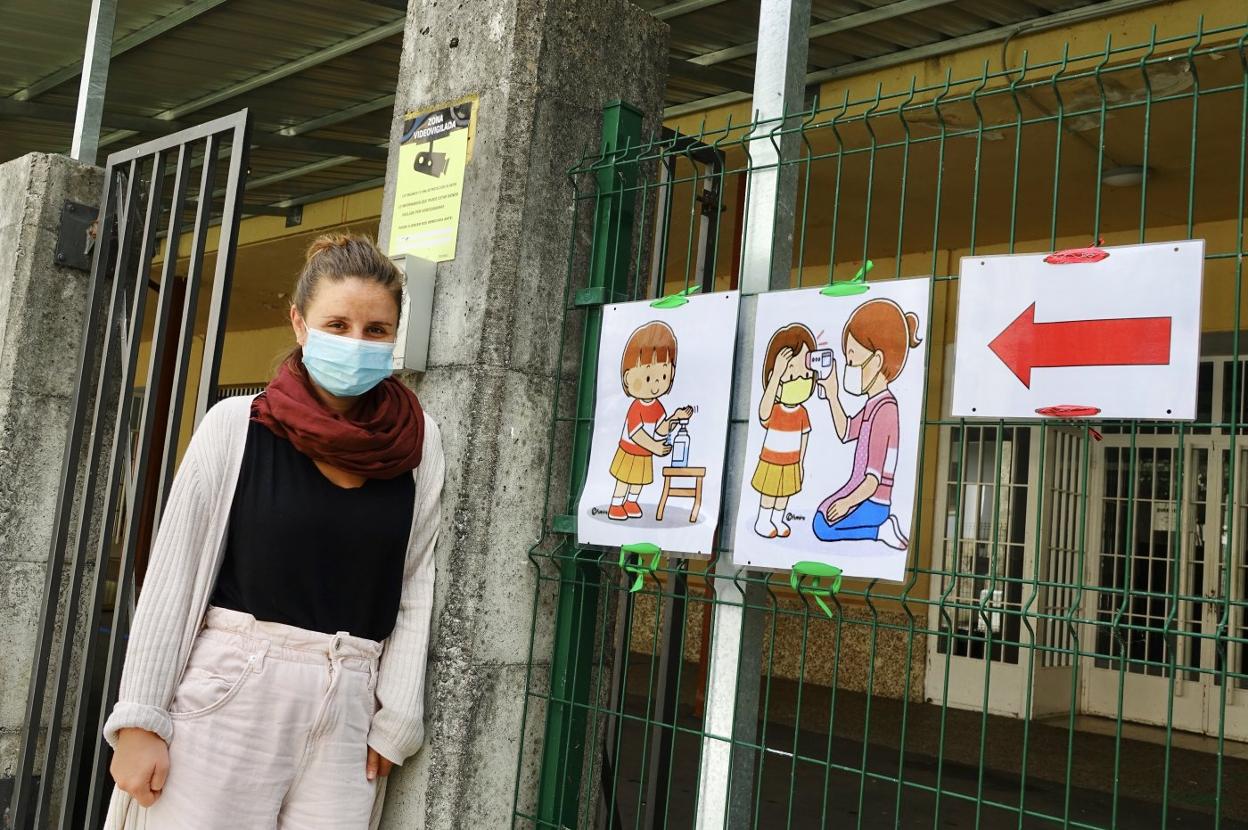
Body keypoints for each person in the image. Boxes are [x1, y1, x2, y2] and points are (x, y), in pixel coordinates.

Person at [103, 233, 445, 829]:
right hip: (231, 692)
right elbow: (173, 575)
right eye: (336, 324)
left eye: (376, 330)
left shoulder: (420, 443)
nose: (355, 343)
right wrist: (139, 719)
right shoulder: (236, 425)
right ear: (298, 322)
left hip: (349, 705)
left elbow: (414, 581)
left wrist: (398, 717)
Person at [812, 298, 919, 550]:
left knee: (822, 527)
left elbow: (873, 479)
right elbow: (846, 431)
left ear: (877, 360)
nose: (849, 367)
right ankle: (877, 527)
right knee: (820, 517)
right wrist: (833, 395)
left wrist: (848, 502)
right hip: (859, 492)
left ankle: (880, 529)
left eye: (852, 360)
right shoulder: (874, 404)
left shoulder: (886, 410)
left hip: (872, 499)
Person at [607, 321, 693, 520]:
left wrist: (674, 418)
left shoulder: (657, 406)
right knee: (624, 479)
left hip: (645, 453)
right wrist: (655, 446)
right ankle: (616, 504)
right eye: (647, 378)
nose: (655, 385)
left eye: (663, 375)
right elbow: (636, 434)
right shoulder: (636, 407)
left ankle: (631, 501)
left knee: (639, 481)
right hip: (629, 450)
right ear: (628, 378)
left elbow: (661, 429)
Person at [751, 324, 816, 539]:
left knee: (785, 493)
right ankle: (763, 519)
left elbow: (804, 436)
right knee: (769, 491)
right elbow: (762, 414)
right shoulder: (775, 408)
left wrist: (801, 461)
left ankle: (777, 519)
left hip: (792, 460)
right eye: (791, 376)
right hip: (771, 459)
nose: (801, 380)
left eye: (806, 375)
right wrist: (778, 374)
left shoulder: (803, 412)